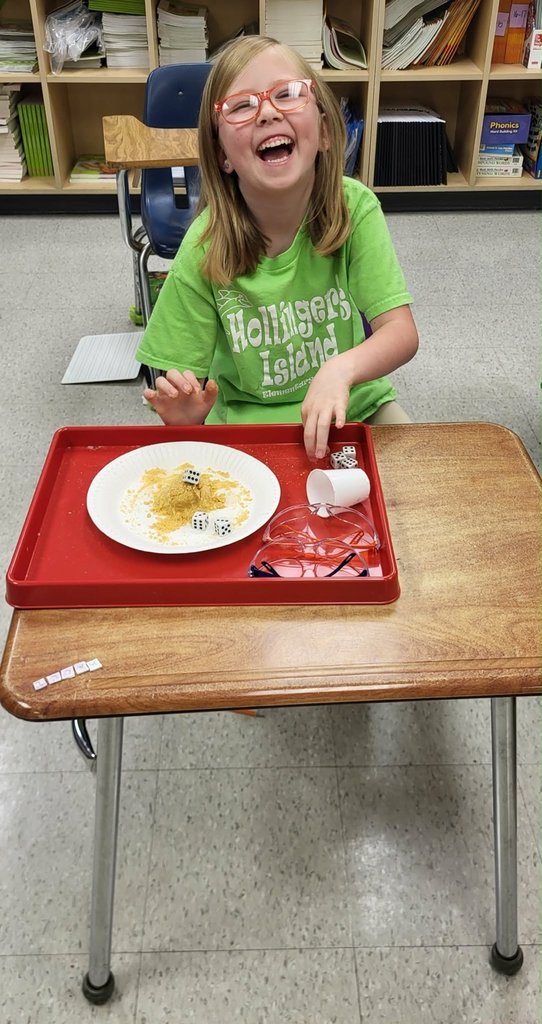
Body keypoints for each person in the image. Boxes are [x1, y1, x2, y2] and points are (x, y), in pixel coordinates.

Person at [136, 35, 418, 461]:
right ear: (222, 155)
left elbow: (401, 332)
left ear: (324, 131)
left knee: (420, 481)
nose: (268, 112)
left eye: (287, 94)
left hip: (357, 408)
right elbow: (182, 392)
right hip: (249, 428)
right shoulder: (203, 248)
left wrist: (340, 370)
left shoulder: (354, 208)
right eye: (241, 106)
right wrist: (186, 418)